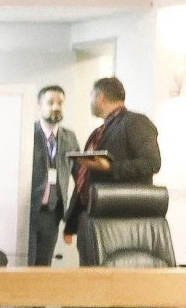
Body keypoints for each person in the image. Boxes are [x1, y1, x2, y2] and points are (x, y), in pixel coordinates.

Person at [63, 76, 162, 266]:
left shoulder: (136, 123)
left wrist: (110, 167)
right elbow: (84, 178)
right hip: (91, 218)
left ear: (100, 97)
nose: (90, 102)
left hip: (119, 220)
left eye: (91, 96)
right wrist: (72, 222)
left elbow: (152, 163)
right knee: (88, 274)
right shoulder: (98, 132)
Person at [28, 84, 72, 268]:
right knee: (25, 264)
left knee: (43, 266)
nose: (56, 107)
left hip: (52, 212)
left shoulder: (69, 138)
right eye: (50, 102)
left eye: (60, 103)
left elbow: (80, 174)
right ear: (40, 106)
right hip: (28, 210)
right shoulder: (28, 133)